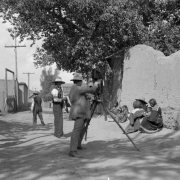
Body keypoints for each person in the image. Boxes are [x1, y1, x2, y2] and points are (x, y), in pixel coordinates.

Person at [69, 73, 98, 158]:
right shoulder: (77, 88)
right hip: (79, 112)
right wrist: (95, 84)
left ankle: (78, 145)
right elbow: (92, 89)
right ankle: (72, 151)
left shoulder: (75, 88)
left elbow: (82, 97)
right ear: (80, 81)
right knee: (77, 130)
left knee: (81, 128)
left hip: (80, 111)